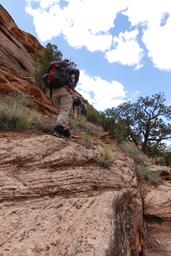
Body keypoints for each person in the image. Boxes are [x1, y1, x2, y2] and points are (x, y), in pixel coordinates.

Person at [52, 60, 80, 139]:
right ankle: (58, 131)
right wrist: (71, 88)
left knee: (62, 113)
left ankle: (66, 132)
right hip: (65, 91)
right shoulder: (72, 70)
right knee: (64, 112)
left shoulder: (58, 67)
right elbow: (76, 80)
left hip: (54, 91)